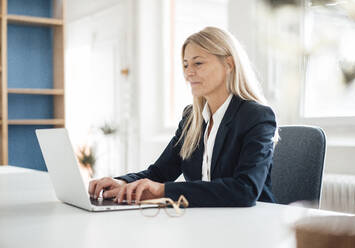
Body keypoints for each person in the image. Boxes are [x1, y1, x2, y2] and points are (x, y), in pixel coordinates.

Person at [88, 26, 279, 208]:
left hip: (252, 223)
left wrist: (162, 191)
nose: (189, 72)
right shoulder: (191, 119)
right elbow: (160, 173)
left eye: (198, 63)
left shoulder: (257, 117)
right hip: (208, 222)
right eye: (186, 65)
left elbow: (245, 189)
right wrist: (121, 182)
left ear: (228, 64)